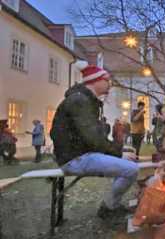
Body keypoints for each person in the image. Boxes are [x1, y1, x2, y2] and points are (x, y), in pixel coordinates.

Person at [50, 65, 138, 218]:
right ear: (94, 81)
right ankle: (109, 207)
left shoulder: (86, 100)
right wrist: (118, 153)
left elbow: (95, 136)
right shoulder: (79, 100)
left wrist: (119, 145)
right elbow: (92, 138)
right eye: (107, 80)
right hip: (75, 159)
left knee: (128, 162)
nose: (109, 83)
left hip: (80, 155)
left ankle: (110, 205)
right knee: (131, 169)